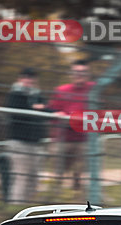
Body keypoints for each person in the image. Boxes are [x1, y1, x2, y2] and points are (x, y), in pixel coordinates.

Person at [48, 60, 95, 190]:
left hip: (84, 139)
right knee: (59, 172)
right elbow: (52, 111)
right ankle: (55, 195)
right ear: (71, 74)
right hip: (63, 138)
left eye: (83, 72)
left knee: (81, 171)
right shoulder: (61, 90)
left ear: (88, 74)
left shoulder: (94, 89)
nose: (79, 75)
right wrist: (59, 115)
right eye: (76, 72)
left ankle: (81, 197)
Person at [5, 67, 46, 202]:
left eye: (31, 77)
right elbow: (16, 112)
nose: (28, 80)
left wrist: (55, 112)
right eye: (25, 77)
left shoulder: (36, 94)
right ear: (20, 79)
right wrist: (34, 108)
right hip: (20, 142)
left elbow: (45, 108)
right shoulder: (15, 94)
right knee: (21, 178)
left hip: (35, 142)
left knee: (33, 179)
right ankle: (15, 208)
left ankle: (27, 208)